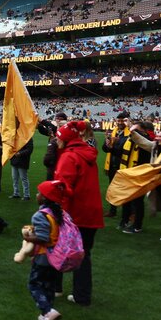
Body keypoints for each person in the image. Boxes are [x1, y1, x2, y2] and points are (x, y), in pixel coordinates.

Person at [53, 121, 104, 307]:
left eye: (58, 138)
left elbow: (63, 189)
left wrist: (59, 214)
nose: (56, 141)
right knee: (84, 255)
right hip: (91, 212)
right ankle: (81, 295)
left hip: (75, 213)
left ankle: (57, 289)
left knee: (58, 248)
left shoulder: (69, 157)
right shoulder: (86, 153)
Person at [21, 180, 70, 320]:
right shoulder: (59, 213)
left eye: (39, 193)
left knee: (34, 285)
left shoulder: (40, 215)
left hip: (44, 257)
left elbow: (43, 238)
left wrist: (29, 239)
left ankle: (48, 311)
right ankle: (45, 316)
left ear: (45, 197)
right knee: (48, 286)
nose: (37, 195)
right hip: (57, 257)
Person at [119, 121, 154, 234]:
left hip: (139, 174)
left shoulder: (147, 142)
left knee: (137, 201)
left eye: (137, 130)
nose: (134, 131)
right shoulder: (129, 139)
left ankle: (137, 225)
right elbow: (118, 149)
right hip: (127, 173)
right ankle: (124, 220)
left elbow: (142, 140)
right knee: (126, 199)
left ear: (143, 131)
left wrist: (132, 129)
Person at [101, 112, 130, 217]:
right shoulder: (114, 132)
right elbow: (105, 149)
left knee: (125, 190)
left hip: (124, 166)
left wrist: (114, 144)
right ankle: (113, 211)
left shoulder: (130, 134)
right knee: (112, 189)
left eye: (123, 120)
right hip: (112, 165)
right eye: (119, 120)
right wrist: (107, 143)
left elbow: (121, 151)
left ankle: (130, 213)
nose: (120, 122)